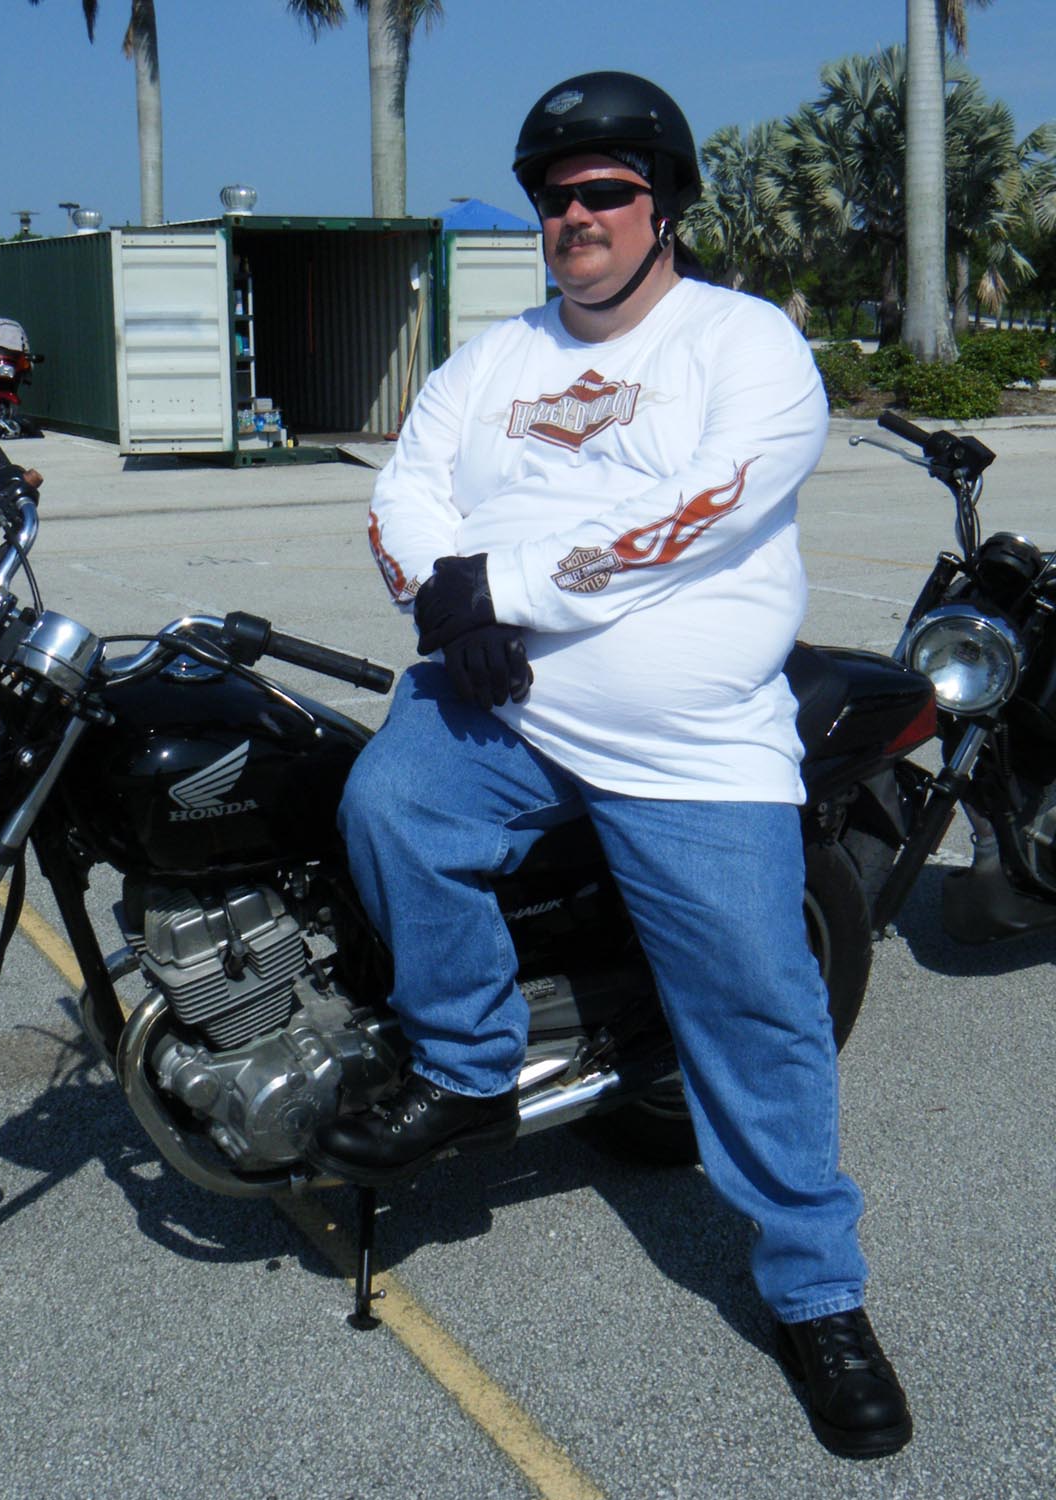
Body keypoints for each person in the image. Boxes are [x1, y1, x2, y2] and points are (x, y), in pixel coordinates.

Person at [308, 71, 912, 1460]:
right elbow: (407, 489)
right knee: (387, 806)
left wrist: (500, 588)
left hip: (692, 742)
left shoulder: (744, 342)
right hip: (501, 711)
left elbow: (706, 507)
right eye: (552, 197)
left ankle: (817, 1294)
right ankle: (468, 1062)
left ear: (665, 204)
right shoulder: (492, 362)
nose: (573, 216)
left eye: (604, 192)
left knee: (759, 1005)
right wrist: (440, 605)